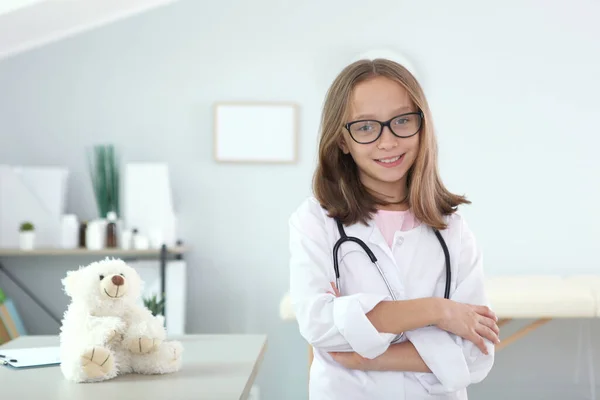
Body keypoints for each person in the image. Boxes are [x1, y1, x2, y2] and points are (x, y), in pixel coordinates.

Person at [288, 57, 499, 400]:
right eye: (366, 126)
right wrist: (438, 312)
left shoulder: (453, 229)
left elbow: (476, 355)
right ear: (342, 140)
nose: (388, 142)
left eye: (401, 120)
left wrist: (365, 354)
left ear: (421, 125)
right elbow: (318, 325)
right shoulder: (316, 221)